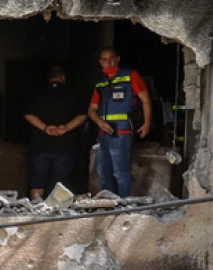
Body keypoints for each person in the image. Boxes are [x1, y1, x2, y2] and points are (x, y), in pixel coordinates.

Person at [87, 47, 152, 197]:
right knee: (104, 173)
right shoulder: (101, 83)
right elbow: (91, 110)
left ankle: (124, 206)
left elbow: (146, 100)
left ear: (117, 59)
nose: (108, 62)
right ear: (100, 62)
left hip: (122, 132)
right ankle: (109, 204)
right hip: (103, 134)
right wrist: (100, 123)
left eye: (111, 58)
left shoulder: (130, 75)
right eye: (104, 59)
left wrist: (147, 123)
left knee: (120, 172)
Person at [23, 66, 87, 200]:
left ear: (49, 78)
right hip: (65, 146)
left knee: (37, 180)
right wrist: (66, 128)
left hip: (40, 145)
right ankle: (58, 214)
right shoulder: (73, 92)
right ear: (63, 77)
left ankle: (35, 210)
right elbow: (82, 116)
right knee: (61, 183)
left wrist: (46, 128)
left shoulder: (37, 92)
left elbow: (28, 115)